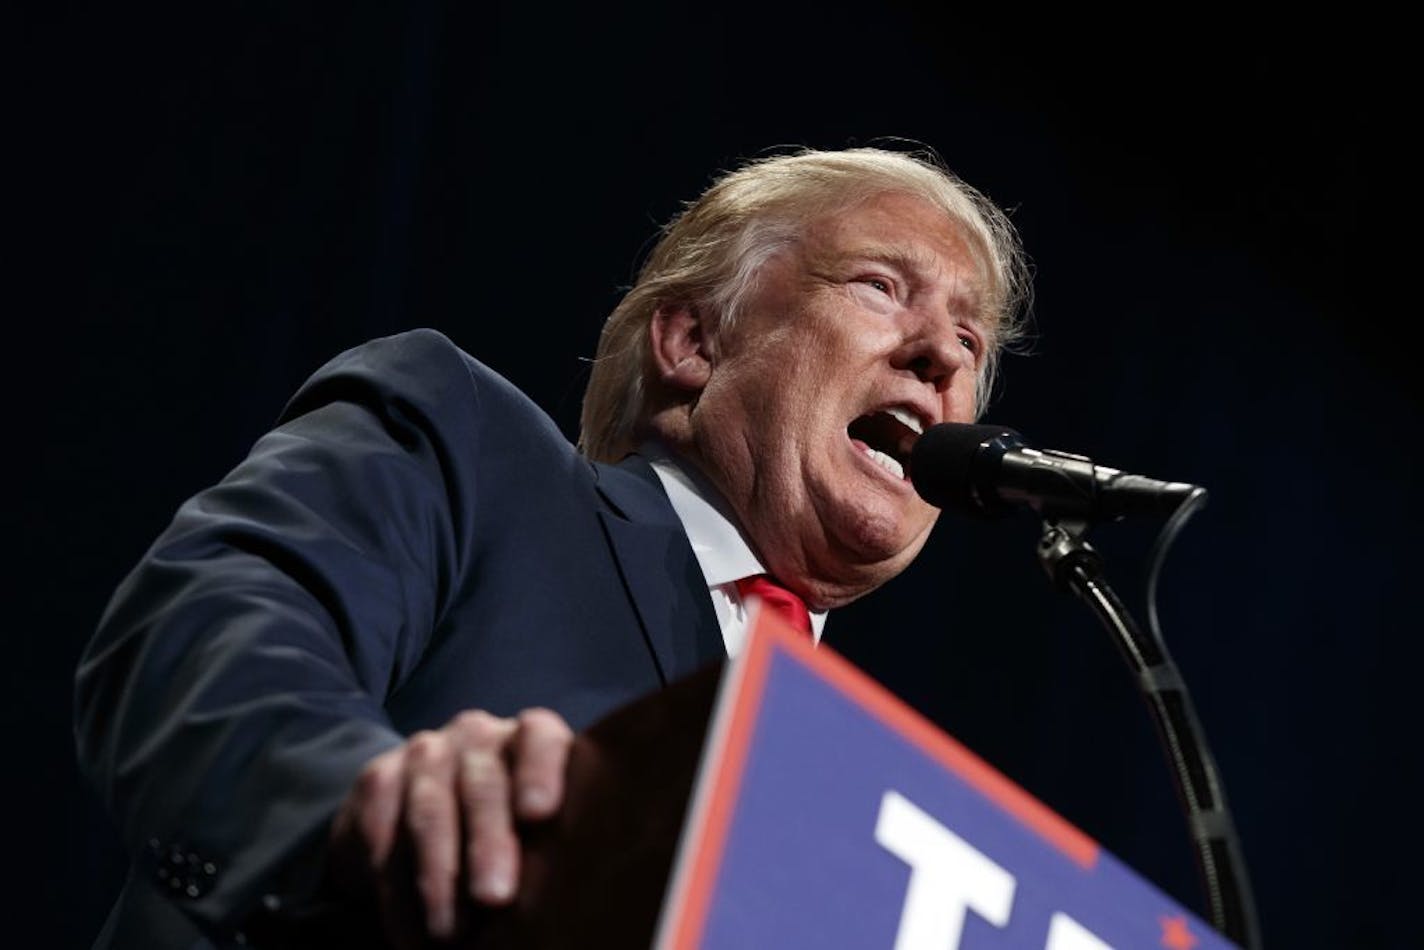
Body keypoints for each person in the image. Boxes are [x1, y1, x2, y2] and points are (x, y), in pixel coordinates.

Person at [75, 147, 1029, 948]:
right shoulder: (471, 449)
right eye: (880, 286)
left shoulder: (887, 825)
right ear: (692, 341)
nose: (942, 356)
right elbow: (204, 634)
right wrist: (373, 802)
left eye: (971, 341)